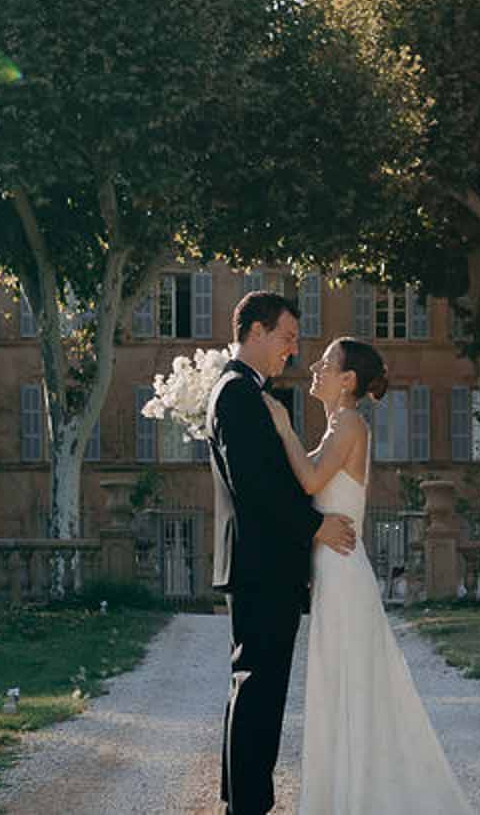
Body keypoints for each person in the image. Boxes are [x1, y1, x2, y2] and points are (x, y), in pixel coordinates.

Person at [265, 336, 475, 814]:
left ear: (348, 381)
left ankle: (356, 796)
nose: (314, 368)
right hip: (335, 570)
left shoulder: (349, 424)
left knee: (350, 685)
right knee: (340, 683)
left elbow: (312, 481)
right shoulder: (338, 423)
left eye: (326, 363)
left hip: (342, 574)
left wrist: (282, 426)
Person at [210, 291, 360, 815]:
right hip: (262, 566)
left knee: (251, 686)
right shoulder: (236, 393)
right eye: (287, 337)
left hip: (260, 565)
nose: (293, 351)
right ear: (255, 331)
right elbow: (256, 487)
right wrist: (316, 526)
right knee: (259, 691)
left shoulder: (245, 393)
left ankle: (242, 803)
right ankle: (248, 807)